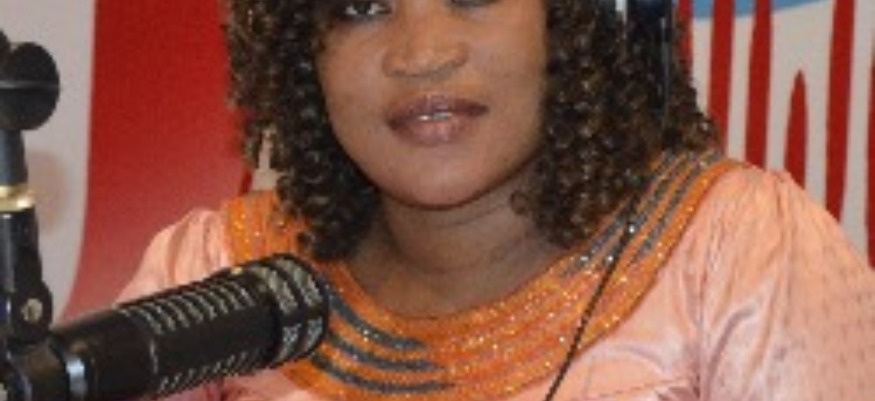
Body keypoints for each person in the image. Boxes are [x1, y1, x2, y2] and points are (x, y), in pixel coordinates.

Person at [120, 0, 875, 400]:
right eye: (362, 5)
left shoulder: (733, 251)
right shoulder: (220, 276)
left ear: (576, 18)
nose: (421, 54)